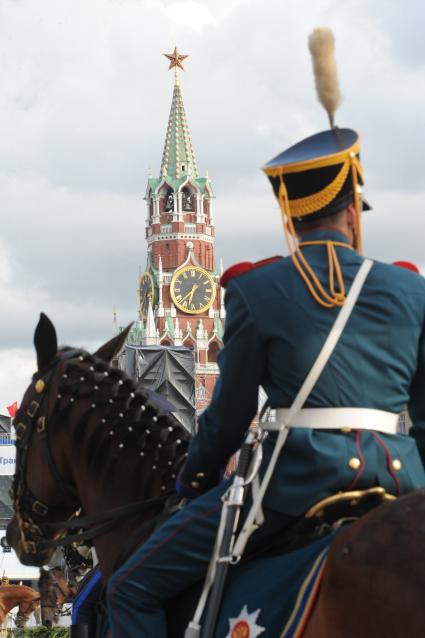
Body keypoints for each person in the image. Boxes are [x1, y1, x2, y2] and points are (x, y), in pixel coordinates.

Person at [105, 122, 425, 637]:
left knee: (130, 588)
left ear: (290, 217)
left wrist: (195, 479)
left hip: (292, 488)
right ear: (351, 212)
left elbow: (227, 421)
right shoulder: (412, 291)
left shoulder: (257, 289)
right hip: (401, 481)